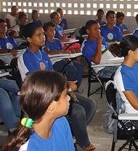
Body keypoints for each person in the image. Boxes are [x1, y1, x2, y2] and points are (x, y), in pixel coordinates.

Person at [17, 22, 96, 151]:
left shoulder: (43, 54)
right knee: (78, 111)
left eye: (43, 34)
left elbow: (53, 76)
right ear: (29, 39)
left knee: (90, 105)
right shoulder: (25, 58)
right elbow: (39, 84)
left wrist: (66, 90)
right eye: (38, 35)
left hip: (56, 92)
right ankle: (83, 142)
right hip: (42, 98)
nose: (43, 37)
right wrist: (66, 88)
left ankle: (72, 132)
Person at [2, 70, 75, 151]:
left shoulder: (61, 122)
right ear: (50, 106)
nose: (69, 98)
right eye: (65, 95)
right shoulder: (29, 147)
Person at [43, 22, 84, 88]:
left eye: (54, 29)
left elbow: (64, 52)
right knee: (72, 69)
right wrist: (60, 52)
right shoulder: (45, 42)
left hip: (62, 59)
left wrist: (68, 60)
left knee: (80, 66)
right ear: (45, 32)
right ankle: (69, 88)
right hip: (54, 61)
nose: (53, 31)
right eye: (50, 30)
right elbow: (48, 52)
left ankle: (75, 87)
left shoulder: (57, 41)